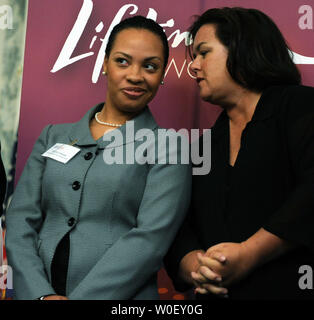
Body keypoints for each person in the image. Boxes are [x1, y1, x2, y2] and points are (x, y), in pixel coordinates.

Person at [5, 16, 191, 300]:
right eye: (123, 61)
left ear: (163, 74)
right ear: (104, 64)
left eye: (150, 66)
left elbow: (151, 240)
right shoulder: (53, 136)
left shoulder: (170, 147)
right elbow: (20, 220)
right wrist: (39, 294)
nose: (136, 75)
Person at [165, 7, 314, 300]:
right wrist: (198, 267)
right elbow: (179, 227)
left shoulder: (301, 106)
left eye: (203, 53)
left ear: (243, 49)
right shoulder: (205, 146)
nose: (193, 67)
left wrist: (249, 253)